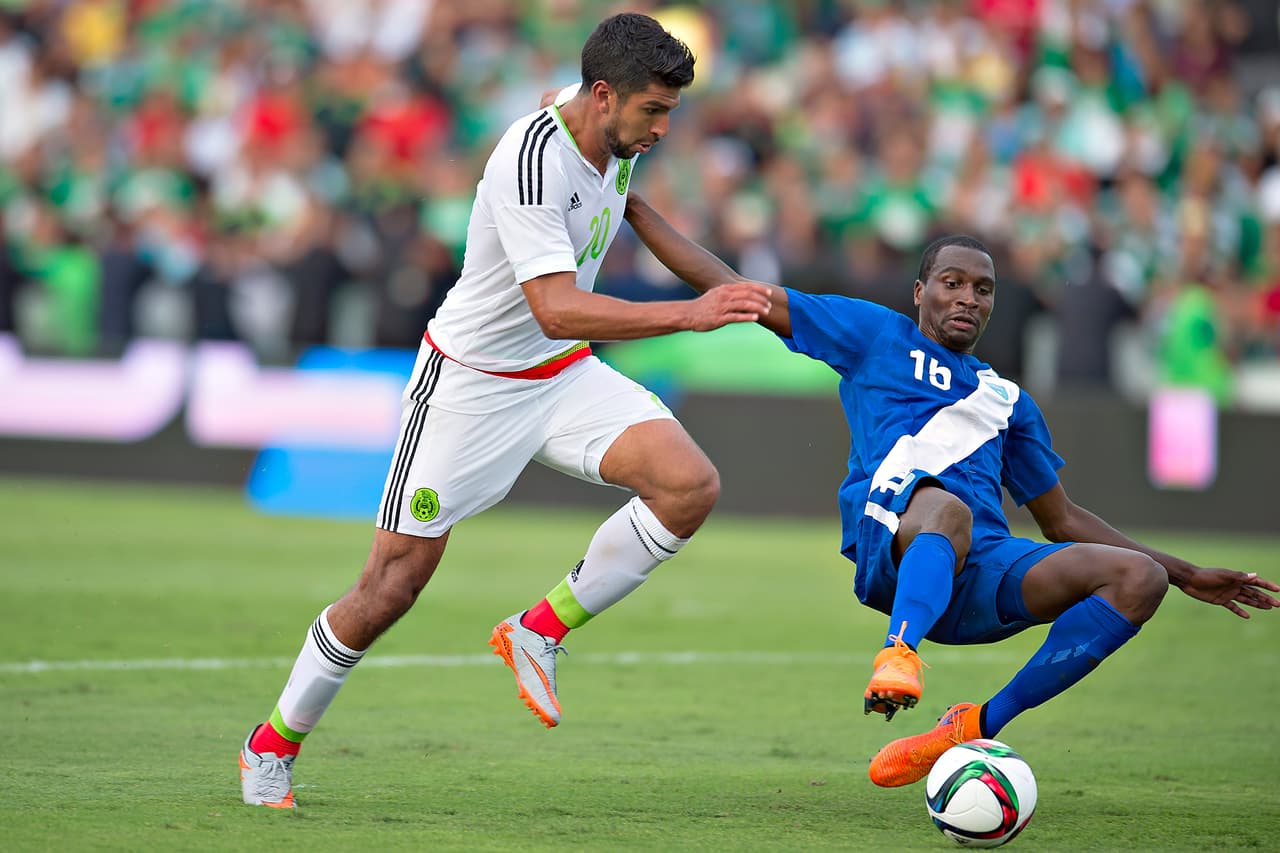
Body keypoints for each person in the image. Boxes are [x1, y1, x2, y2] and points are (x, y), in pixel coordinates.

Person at [238, 13, 773, 809]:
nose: (664, 128)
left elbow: (637, 217)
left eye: (670, 112)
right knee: (391, 584)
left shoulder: (611, 139)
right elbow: (556, 307)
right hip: (470, 387)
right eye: (653, 112)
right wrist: (689, 315)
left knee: (688, 484)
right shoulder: (532, 160)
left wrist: (752, 299)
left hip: (561, 375)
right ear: (602, 95)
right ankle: (270, 746)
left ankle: (539, 628)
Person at [619, 205, 1280, 788]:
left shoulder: (1008, 401)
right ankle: (899, 652)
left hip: (981, 576)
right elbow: (736, 290)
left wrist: (1185, 573)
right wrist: (635, 206)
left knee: (1135, 579)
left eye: (983, 289)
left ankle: (972, 725)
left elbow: (1062, 519)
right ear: (920, 292)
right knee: (948, 507)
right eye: (953, 282)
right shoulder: (877, 335)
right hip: (896, 541)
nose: (968, 297)